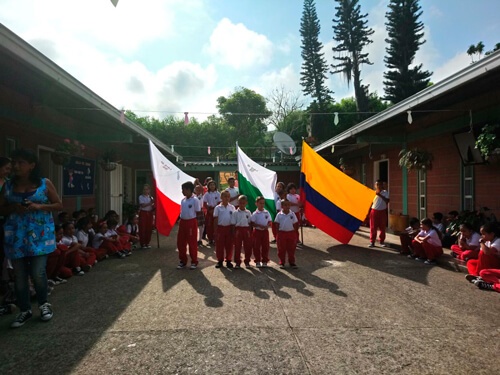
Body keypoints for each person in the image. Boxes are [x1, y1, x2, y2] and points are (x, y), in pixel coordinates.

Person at [0, 149, 63, 328]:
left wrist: (37, 206)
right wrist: (13, 208)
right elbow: (0, 208)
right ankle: (24, 310)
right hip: (16, 236)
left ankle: (43, 304)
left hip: (39, 237)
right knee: (19, 275)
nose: (16, 166)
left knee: (38, 272)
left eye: (21, 162)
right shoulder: (9, 185)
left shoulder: (44, 184)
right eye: (15, 162)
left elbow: (58, 204)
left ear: (32, 166)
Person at [177, 181, 201, 270]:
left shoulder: (195, 200)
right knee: (180, 243)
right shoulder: (183, 200)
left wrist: (196, 224)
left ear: (188, 190)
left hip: (191, 222)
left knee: (192, 243)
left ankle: (194, 261)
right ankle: (183, 261)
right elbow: (182, 212)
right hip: (183, 222)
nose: (182, 192)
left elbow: (198, 212)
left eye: (183, 190)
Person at [213, 191, 235, 268]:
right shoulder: (218, 208)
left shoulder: (232, 207)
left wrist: (233, 230)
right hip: (220, 228)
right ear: (221, 197)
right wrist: (215, 230)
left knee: (229, 245)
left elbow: (233, 219)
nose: (227, 198)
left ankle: (228, 260)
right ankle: (220, 260)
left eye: (228, 196)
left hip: (229, 228)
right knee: (219, 245)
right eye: (225, 196)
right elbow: (215, 219)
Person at [274, 199, 299, 269]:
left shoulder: (292, 214)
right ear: (282, 206)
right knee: (281, 248)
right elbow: (276, 224)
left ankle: (292, 262)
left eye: (288, 205)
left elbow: (295, 223)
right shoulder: (279, 215)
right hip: (282, 233)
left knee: (291, 248)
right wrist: (278, 233)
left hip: (291, 233)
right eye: (285, 205)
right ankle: (282, 262)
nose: (287, 206)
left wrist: (294, 233)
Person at [231, 195, 253, 269]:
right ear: (238, 202)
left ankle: (247, 262)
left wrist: (250, 232)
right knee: (237, 247)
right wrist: (233, 233)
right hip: (238, 230)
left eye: (243, 203)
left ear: (246, 203)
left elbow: (250, 223)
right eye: (240, 203)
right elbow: (233, 224)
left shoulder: (248, 212)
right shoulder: (235, 213)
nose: (242, 204)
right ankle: (237, 262)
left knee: (247, 247)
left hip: (246, 230)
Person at [251, 196, 272, 268]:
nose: (262, 205)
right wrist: (258, 225)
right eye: (260, 203)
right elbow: (252, 223)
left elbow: (270, 221)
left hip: (265, 232)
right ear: (256, 203)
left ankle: (265, 261)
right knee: (256, 247)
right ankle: (257, 261)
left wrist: (268, 225)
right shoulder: (255, 213)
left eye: (263, 203)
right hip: (257, 232)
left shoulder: (267, 212)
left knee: (265, 246)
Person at [0, 157, 12, 285]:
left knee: (5, 251)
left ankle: (5, 279)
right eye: (6, 168)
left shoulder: (9, 183)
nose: (8, 171)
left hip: (7, 221)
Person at [369, 180, 390, 248]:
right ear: (375, 186)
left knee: (382, 227)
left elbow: (387, 201)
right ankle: (372, 242)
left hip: (382, 211)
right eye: (377, 185)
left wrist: (379, 195)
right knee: (373, 227)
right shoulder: (373, 192)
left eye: (380, 184)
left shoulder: (385, 192)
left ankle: (382, 241)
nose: (379, 186)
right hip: (374, 211)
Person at [203, 180, 221, 245]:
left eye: (213, 185)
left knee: (216, 225)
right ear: (208, 186)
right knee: (209, 225)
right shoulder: (206, 194)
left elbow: (219, 202)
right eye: (210, 185)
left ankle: (216, 239)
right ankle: (210, 239)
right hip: (209, 211)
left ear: (215, 186)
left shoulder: (218, 193)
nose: (212, 186)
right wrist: (209, 209)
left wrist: (215, 209)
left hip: (216, 210)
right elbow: (204, 203)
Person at [138, 184, 154, 249]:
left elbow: (153, 206)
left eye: (147, 189)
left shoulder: (151, 197)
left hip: (149, 213)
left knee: (149, 228)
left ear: (149, 190)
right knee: (142, 228)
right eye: (144, 189)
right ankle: (143, 243)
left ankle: (147, 242)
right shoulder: (141, 197)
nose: (145, 190)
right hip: (143, 213)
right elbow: (142, 205)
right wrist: (150, 203)